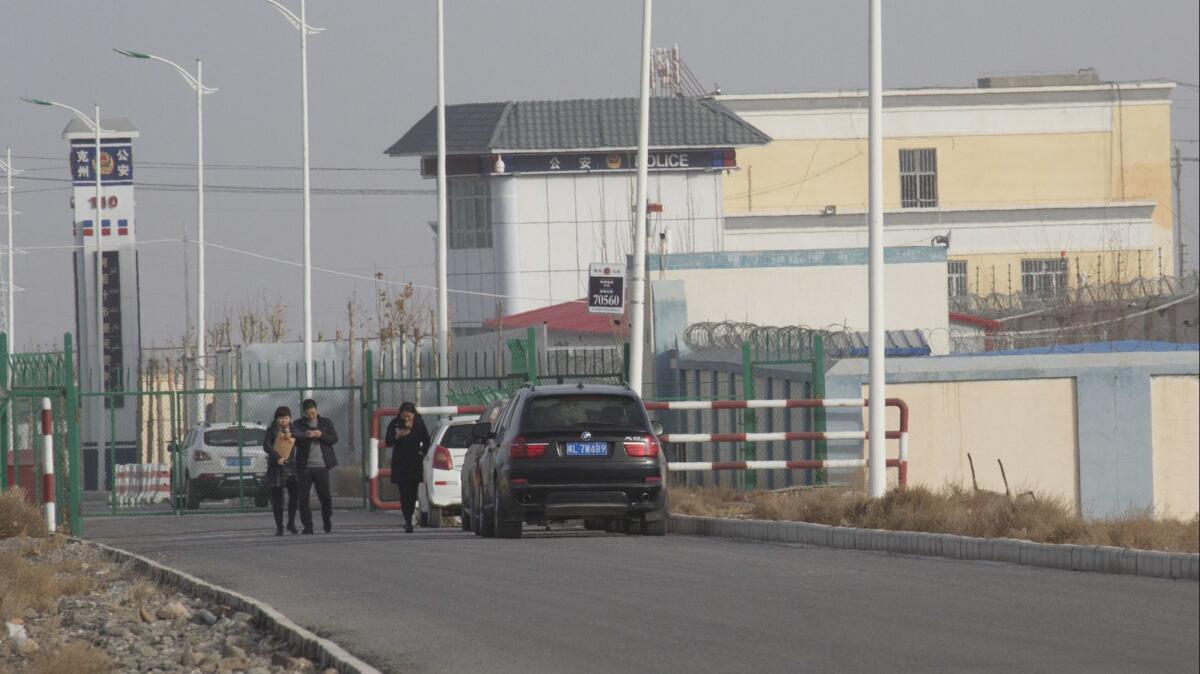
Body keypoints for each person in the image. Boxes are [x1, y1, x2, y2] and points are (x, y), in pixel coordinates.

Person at [382, 401, 430, 533]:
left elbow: (427, 440)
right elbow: (388, 440)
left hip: (415, 462)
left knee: (412, 493)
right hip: (400, 463)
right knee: (404, 493)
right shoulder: (395, 423)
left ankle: (411, 516)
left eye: (409, 416)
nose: (407, 419)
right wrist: (398, 435)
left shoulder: (419, 424)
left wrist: (422, 452)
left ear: (413, 414)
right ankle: (408, 520)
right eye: (404, 416)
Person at [293, 398, 339, 534]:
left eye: (313, 413)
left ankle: (327, 520)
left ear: (317, 411)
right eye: (308, 414)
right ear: (304, 413)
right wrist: (305, 436)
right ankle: (308, 526)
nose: (310, 416)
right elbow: (294, 438)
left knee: (325, 496)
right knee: (303, 498)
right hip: (304, 466)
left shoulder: (325, 422)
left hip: (322, 466)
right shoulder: (298, 424)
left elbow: (334, 439)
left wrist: (321, 434)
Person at [263, 406, 299, 536]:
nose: (284, 420)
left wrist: (291, 434)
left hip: (290, 467)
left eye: (286, 418)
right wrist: (277, 458)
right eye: (281, 418)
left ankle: (291, 523)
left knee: (294, 495)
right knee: (277, 499)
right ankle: (279, 527)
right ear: (276, 419)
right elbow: (266, 446)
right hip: (276, 468)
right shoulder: (271, 430)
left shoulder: (293, 428)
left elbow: (299, 437)